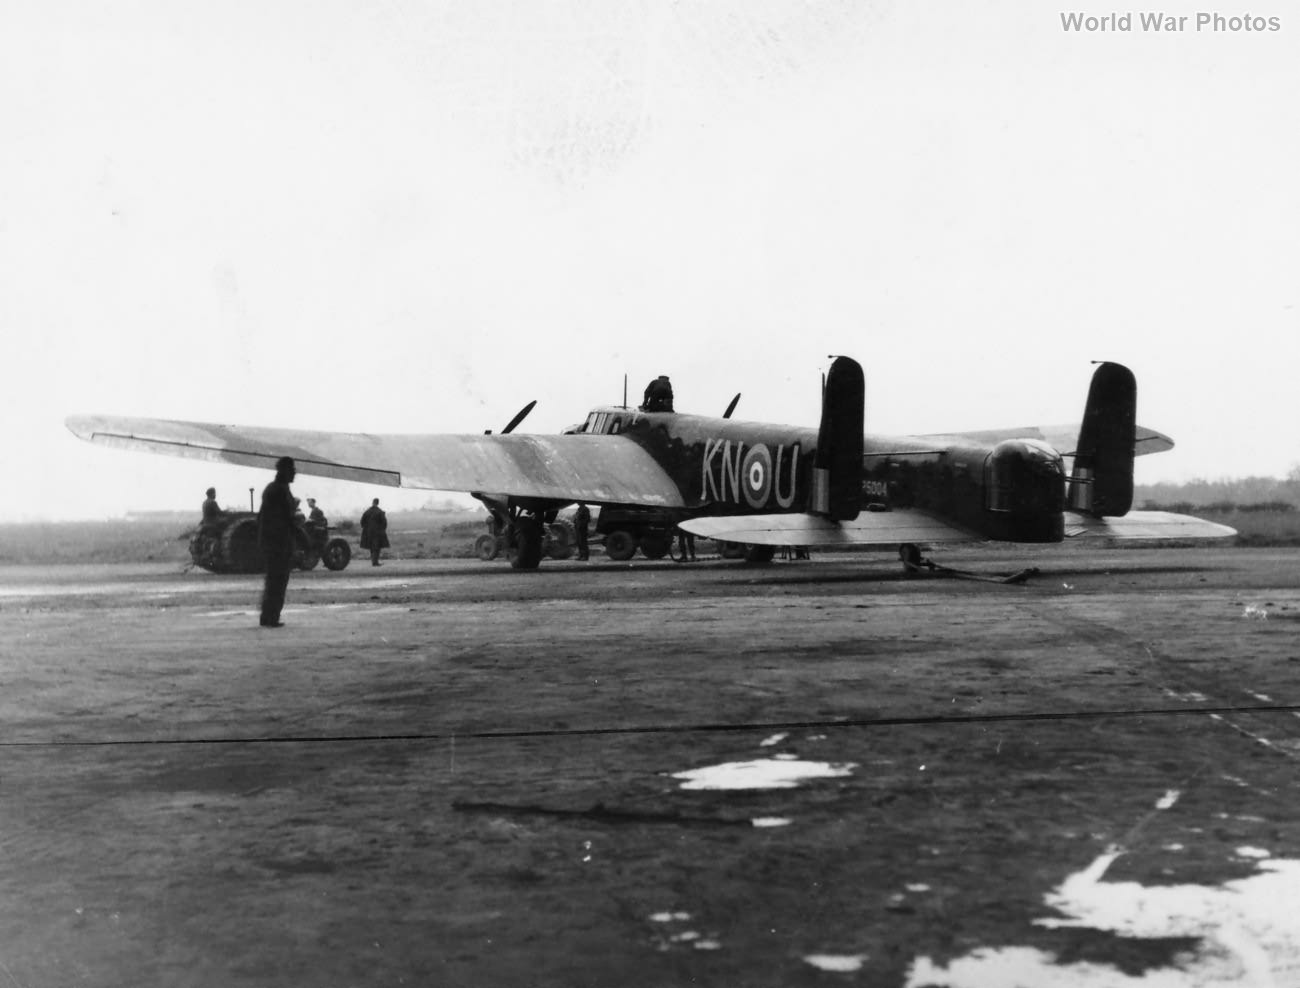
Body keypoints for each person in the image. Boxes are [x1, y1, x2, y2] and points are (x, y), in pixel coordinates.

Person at [256, 457, 297, 628]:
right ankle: (271, 617)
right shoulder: (280, 490)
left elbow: (261, 517)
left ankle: (268, 616)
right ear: (285, 471)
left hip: (273, 542)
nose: (295, 472)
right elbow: (288, 519)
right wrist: (303, 538)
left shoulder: (274, 488)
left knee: (273, 581)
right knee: (277, 581)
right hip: (278, 543)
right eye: (292, 469)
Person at [360, 498, 389, 566]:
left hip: (368, 533)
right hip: (377, 533)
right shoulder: (380, 512)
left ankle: (373, 561)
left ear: (372, 502)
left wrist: (366, 529)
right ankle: (375, 562)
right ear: (378, 503)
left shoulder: (367, 512)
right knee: (376, 547)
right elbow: (384, 523)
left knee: (371, 547)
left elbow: (362, 522)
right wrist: (382, 530)